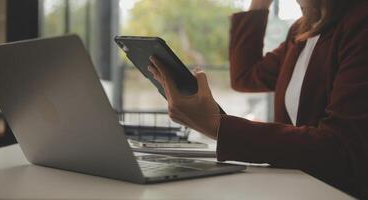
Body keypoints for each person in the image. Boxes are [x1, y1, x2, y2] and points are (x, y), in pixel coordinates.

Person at [147, 0, 368, 198]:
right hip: (300, 188)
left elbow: (342, 150)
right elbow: (245, 77)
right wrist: (259, 5)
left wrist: (219, 127)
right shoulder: (302, 30)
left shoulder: (359, 23)